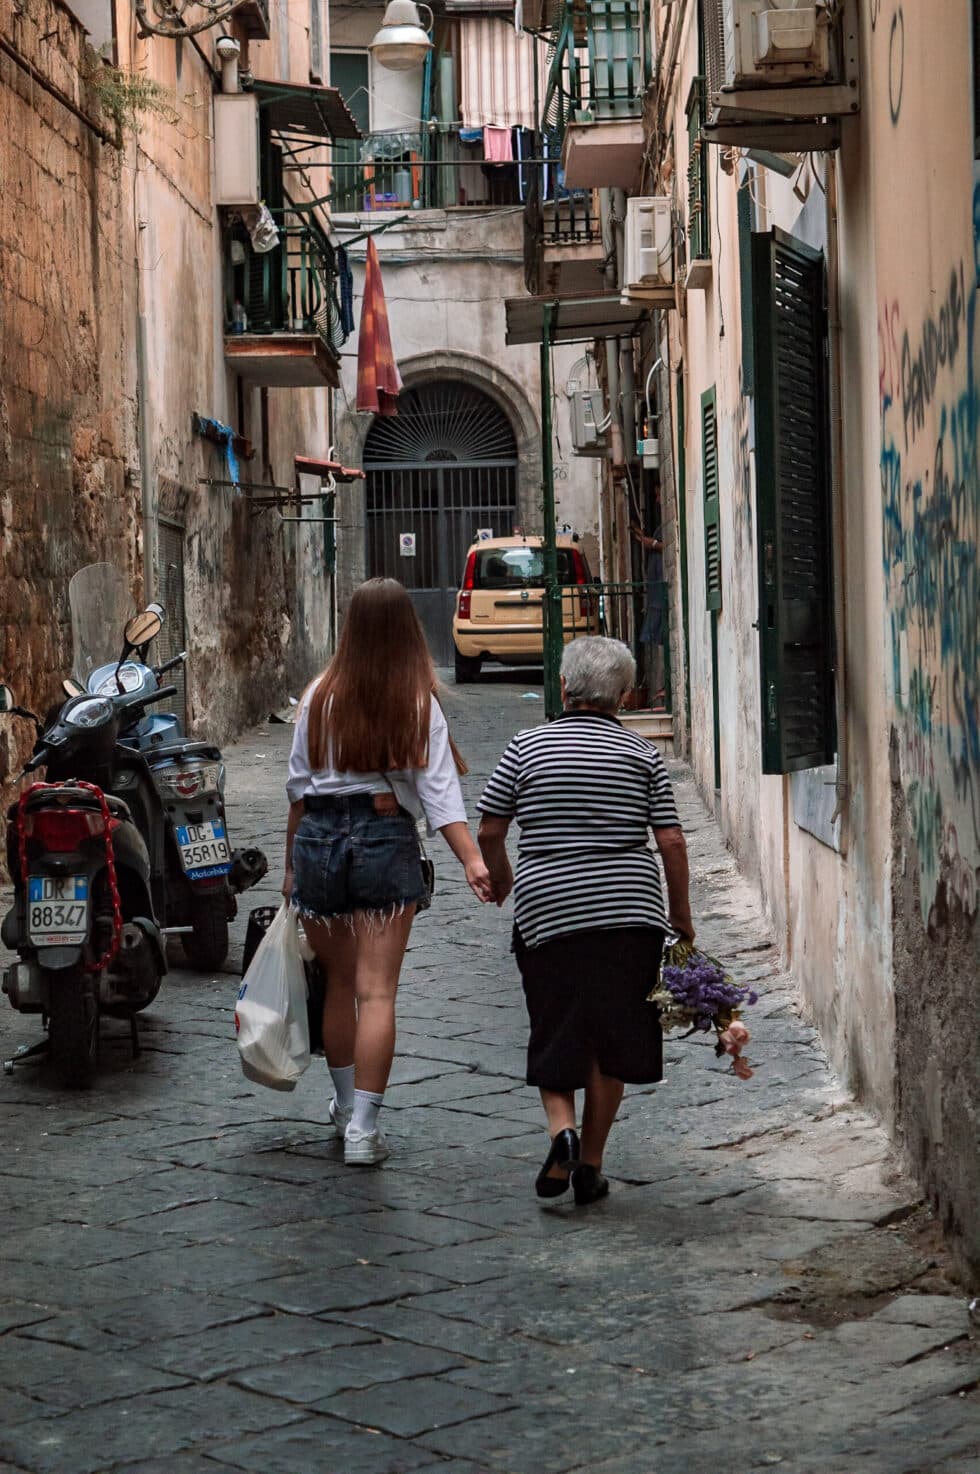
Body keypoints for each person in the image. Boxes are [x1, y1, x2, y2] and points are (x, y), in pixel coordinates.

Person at [477, 636, 693, 1205]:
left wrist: (502, 879)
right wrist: (682, 918)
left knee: (556, 1025)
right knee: (612, 1042)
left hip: (550, 909)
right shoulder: (642, 755)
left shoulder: (525, 747)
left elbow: (490, 830)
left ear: (565, 687)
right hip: (630, 913)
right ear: (624, 695)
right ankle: (591, 1168)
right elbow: (669, 839)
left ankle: (561, 1134)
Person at [284, 578, 492, 1166]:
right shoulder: (414, 699)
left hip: (319, 840)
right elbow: (441, 797)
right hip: (381, 836)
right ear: (408, 629)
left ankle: (345, 1106)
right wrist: (473, 860)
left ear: (350, 628)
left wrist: (289, 867)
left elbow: (297, 789)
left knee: (340, 985)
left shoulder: (316, 695)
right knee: (378, 993)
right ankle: (363, 1133)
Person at [630, 517, 665, 708]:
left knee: (661, 636)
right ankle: (661, 690)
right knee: (656, 636)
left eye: (659, 495)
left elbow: (666, 546)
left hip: (661, 592)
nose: (658, 500)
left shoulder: (665, 527)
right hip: (656, 592)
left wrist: (650, 543)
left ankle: (663, 690)